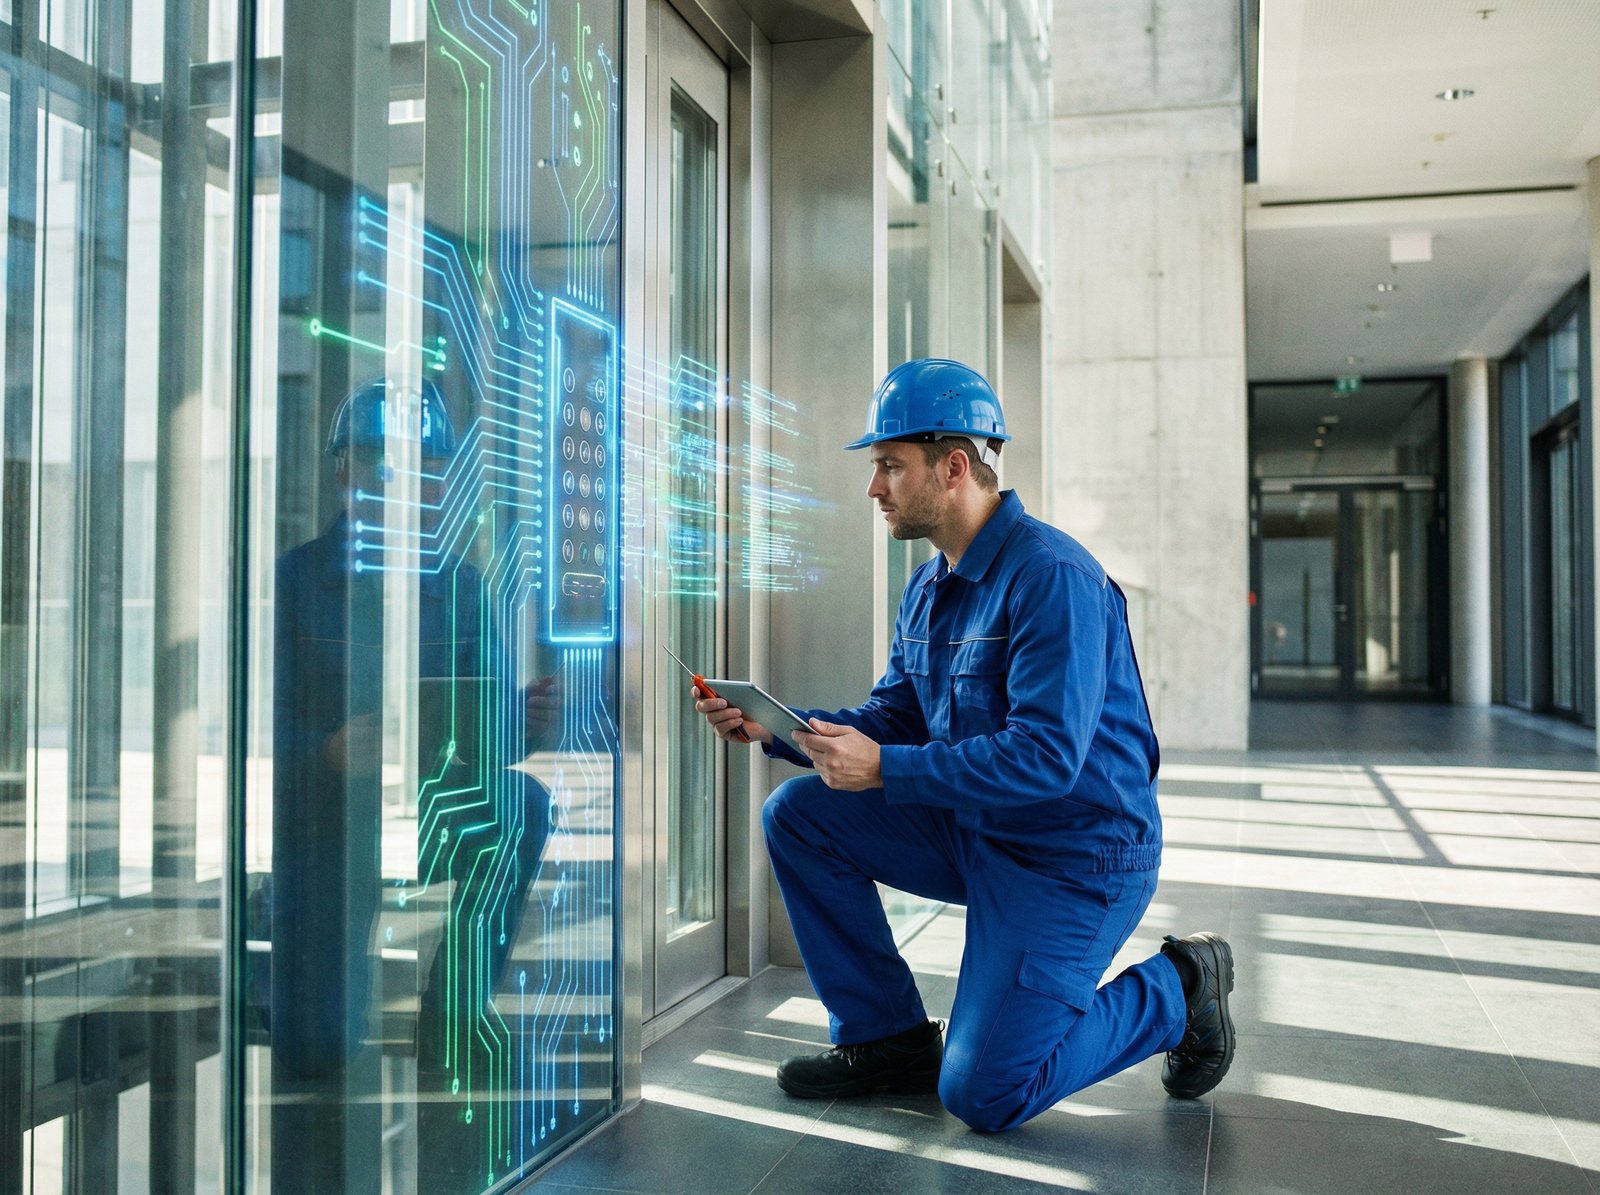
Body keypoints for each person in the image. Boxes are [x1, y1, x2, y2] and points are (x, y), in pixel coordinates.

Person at [694, 358, 1236, 1132]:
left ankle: (1181, 987)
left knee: (986, 1092)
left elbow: (1047, 757)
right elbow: (898, 716)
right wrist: (780, 728)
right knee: (801, 813)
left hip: (1074, 856)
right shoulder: (929, 585)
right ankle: (888, 1038)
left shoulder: (1053, 578)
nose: (873, 487)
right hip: (978, 828)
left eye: (888, 466)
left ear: (953, 467)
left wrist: (883, 767)